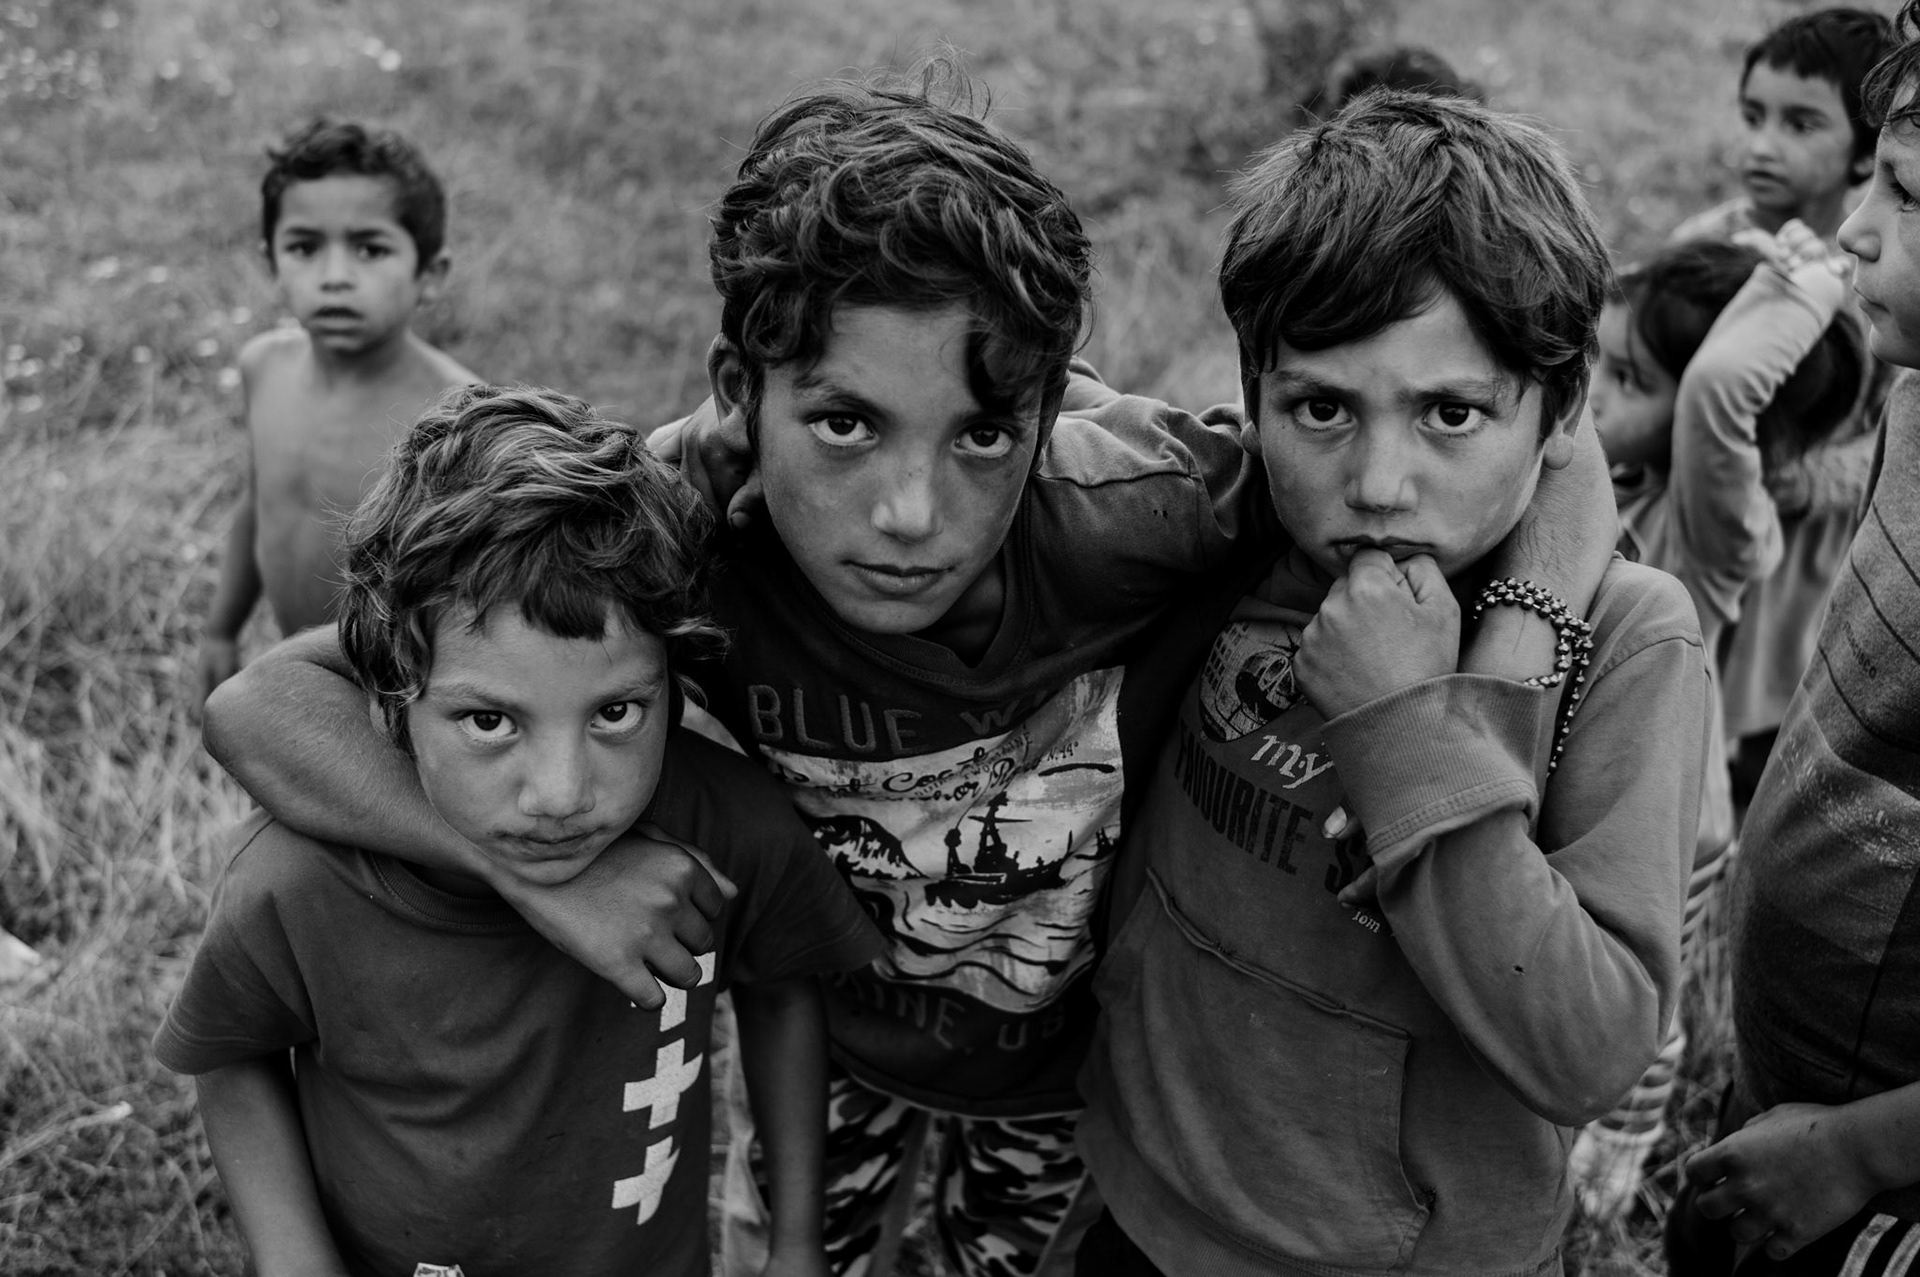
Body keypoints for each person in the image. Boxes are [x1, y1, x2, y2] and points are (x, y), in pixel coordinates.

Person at [203, 69, 1613, 1277]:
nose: (909, 514)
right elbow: (266, 703)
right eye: (844, 423)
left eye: (983, 437)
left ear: (1052, 408)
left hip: (1063, 1081)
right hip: (821, 1038)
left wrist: (1519, 637)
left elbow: (1540, 437)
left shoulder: (1147, 507)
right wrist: (537, 870)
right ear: (737, 392)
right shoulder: (676, 526)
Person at [1071, 90, 1710, 1277]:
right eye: (1320, 407)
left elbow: (1590, 1044)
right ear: (1255, 390)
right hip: (1142, 1198)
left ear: (1560, 410)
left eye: (1452, 414)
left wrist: (1408, 723)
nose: (1375, 483)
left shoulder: (1629, 644)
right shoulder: (1241, 520)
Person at [158, 384, 883, 1277]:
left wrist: (798, 1242)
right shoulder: (297, 880)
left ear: (675, 677)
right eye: (491, 722)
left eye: (616, 710)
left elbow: (781, 993)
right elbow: (234, 1056)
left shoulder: (727, 826)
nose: (561, 793)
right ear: (391, 695)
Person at [1666, 8, 1920, 1269]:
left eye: (1906, 190)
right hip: (1788, 1087)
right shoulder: (1918, 393)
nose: (1861, 227)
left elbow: (1716, 394)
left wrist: (1866, 1148)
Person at [1572, 231, 1866, 1217]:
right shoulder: (1604, 482)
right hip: (1578, 801)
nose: (1596, 395)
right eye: (1598, 365)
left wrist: (1819, 278)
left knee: (1634, 1012)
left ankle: (1612, 1167)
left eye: (1628, 378)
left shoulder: (1707, 533)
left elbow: (1721, 392)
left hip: (1663, 824)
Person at [1670, 9, 1897, 808]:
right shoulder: (1712, 242)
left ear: (1869, 151)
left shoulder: (1873, 284)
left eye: (1801, 123)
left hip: (1792, 585)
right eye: (1754, 117)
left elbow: (1875, 443)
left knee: (1755, 763)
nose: (1764, 145)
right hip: (1696, 546)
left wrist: (1803, 473)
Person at [194, 117, 478, 706]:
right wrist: (222, 628)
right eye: (304, 248)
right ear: (271, 263)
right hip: (288, 674)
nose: (335, 277)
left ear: (429, 275)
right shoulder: (263, 367)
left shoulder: (456, 418)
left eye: (370, 249)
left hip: (397, 698)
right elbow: (260, 503)